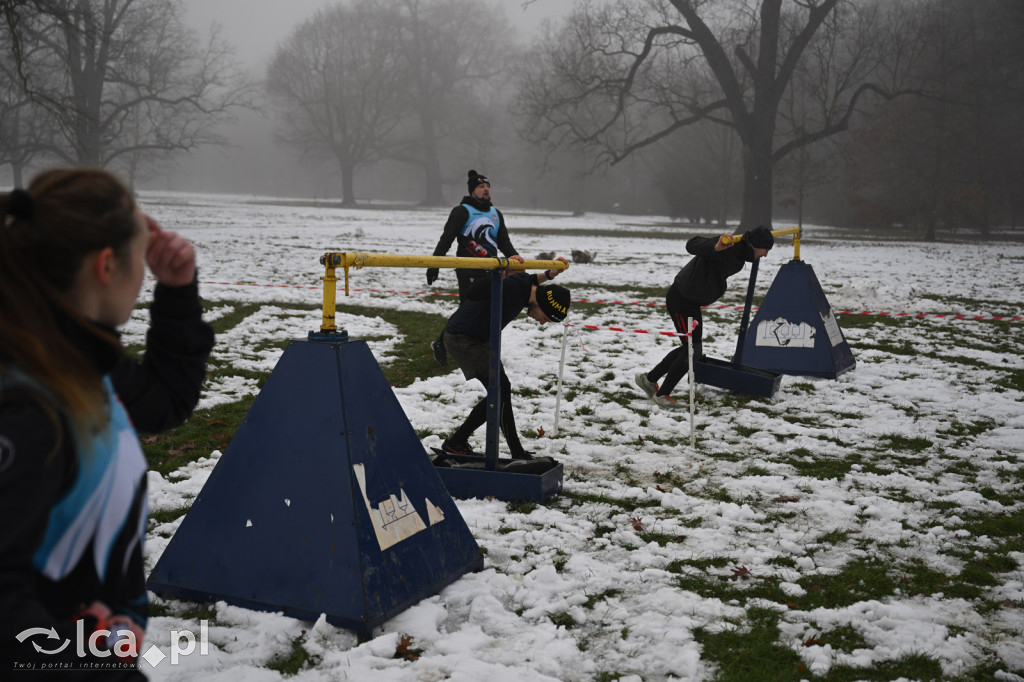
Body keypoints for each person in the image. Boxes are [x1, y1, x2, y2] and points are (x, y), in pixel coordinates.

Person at [0, 168, 214, 676]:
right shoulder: (29, 404)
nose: (145, 273)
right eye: (140, 258)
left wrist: (178, 291)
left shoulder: (73, 356)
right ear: (105, 266)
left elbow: (161, 403)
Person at [439, 266, 569, 461]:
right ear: (542, 303)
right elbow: (471, 293)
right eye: (546, 318)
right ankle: (511, 450)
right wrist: (497, 275)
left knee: (499, 392)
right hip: (463, 338)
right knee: (499, 391)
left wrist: (548, 275)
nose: (542, 323)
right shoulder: (513, 289)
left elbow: (529, 278)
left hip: (480, 339)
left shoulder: (526, 288)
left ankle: (457, 443)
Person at [635, 225, 774, 408]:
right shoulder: (728, 245)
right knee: (692, 351)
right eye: (766, 250)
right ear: (756, 245)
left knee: (690, 349)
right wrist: (714, 248)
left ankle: (649, 380)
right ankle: (662, 395)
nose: (765, 255)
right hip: (681, 299)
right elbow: (692, 244)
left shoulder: (740, 253)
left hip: (691, 302)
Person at [426, 170, 523, 365]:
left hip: (493, 271)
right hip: (468, 270)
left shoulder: (496, 214)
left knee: (489, 311)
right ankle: (441, 343)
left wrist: (514, 257)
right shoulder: (462, 211)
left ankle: (483, 349)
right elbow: (447, 239)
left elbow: (503, 241)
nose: (486, 189)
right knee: (467, 310)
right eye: (481, 186)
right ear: (472, 191)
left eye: (487, 186)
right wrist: (434, 264)